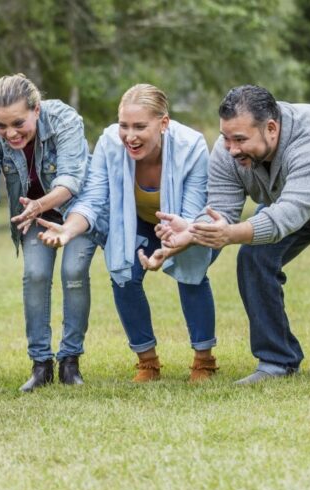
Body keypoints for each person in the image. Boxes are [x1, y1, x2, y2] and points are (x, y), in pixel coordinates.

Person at [158, 85, 310, 384]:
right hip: (294, 196)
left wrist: (231, 234)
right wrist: (192, 230)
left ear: (271, 128)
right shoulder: (228, 151)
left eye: (240, 139)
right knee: (253, 257)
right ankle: (276, 360)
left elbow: (289, 214)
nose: (232, 148)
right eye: (226, 138)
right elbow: (222, 210)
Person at [37, 84, 219, 382]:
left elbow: (192, 213)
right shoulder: (110, 143)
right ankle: (147, 362)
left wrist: (173, 244)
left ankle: (204, 359)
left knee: (192, 271)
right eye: (124, 125)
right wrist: (69, 229)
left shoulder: (192, 146)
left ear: (163, 123)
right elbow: (94, 199)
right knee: (123, 274)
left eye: (139, 126)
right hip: (136, 222)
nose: (129, 136)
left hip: (186, 223)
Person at [0, 73, 96, 391]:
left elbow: (70, 179)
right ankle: (41, 366)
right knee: (35, 276)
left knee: (74, 271)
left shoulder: (64, 118)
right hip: (33, 213)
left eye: (18, 123)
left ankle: (70, 362)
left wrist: (38, 206)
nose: (10, 133)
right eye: (2, 125)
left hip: (75, 209)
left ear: (36, 110)